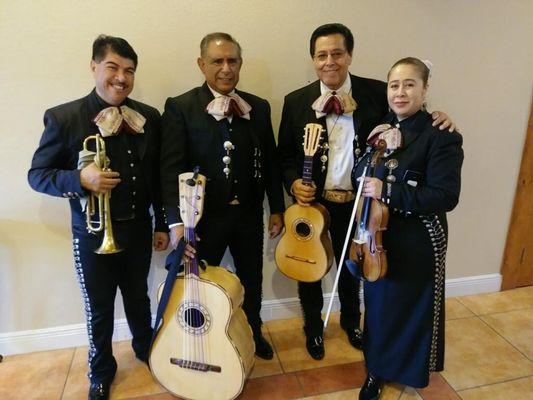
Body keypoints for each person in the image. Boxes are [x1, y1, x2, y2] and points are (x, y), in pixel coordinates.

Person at [277, 23, 455, 361]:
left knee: (353, 266)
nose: (330, 61)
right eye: (321, 55)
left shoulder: (377, 92)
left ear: (349, 56)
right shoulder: (295, 101)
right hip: (314, 203)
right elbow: (285, 155)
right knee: (308, 267)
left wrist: (439, 117)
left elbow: (407, 121)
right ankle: (313, 325)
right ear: (313, 60)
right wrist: (293, 183)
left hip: (361, 203)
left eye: (337, 53)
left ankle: (350, 322)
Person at [28, 35, 169, 400]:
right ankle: (101, 371)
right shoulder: (64, 117)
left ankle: (146, 350)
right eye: (113, 67)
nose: (121, 78)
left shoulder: (148, 117)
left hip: (137, 231)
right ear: (94, 67)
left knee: (139, 299)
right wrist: (79, 179)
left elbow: (155, 177)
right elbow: (37, 174)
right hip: (92, 237)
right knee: (100, 309)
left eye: (129, 71)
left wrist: (159, 224)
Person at [160, 32, 285, 360]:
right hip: (202, 219)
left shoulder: (258, 107)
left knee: (251, 280)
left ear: (240, 63)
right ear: (202, 64)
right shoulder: (180, 107)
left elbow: (270, 161)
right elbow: (170, 169)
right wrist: (174, 221)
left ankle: (254, 332)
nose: (226, 68)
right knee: (200, 285)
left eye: (233, 61)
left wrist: (277, 208)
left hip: (248, 214)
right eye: (218, 61)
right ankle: (206, 342)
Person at [354, 57, 463, 399]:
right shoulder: (382, 126)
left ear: (425, 89)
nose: (400, 92)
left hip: (418, 238)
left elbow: (445, 196)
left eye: (410, 84)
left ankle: (398, 369)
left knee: (407, 308)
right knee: (378, 304)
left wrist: (386, 190)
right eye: (394, 85)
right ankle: (376, 367)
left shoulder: (442, 136)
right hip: (377, 234)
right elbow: (362, 173)